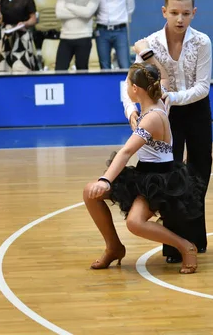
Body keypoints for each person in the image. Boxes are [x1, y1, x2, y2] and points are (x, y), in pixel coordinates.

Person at [83, 62, 203, 274]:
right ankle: (114, 247)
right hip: (144, 173)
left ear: (135, 89)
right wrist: (148, 54)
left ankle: (186, 247)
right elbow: (164, 77)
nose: (126, 88)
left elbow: (126, 152)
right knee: (89, 194)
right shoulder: (160, 99)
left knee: (135, 223)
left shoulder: (152, 118)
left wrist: (105, 181)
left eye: (128, 84)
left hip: (160, 180)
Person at [122, 0, 212, 264]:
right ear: (164, 11)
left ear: (194, 12)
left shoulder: (203, 42)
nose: (180, 19)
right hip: (164, 117)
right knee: (171, 178)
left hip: (196, 110)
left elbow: (202, 87)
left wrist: (169, 96)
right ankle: (173, 246)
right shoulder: (149, 43)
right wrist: (131, 112)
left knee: (200, 172)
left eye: (186, 13)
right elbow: (131, 81)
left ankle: (196, 239)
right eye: (174, 12)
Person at [91, 0, 135, 69]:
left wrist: (121, 19)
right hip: (101, 31)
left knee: (124, 64)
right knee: (104, 66)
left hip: (120, 30)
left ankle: (126, 87)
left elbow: (130, 6)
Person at [54, 0, 100, 71]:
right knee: (59, 70)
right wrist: (81, 10)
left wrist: (69, 6)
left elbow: (87, 13)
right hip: (65, 37)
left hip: (84, 37)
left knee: (82, 71)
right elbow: (60, 13)